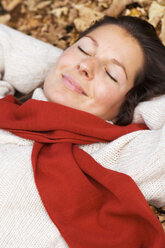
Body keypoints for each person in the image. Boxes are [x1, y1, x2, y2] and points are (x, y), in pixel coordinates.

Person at [0, 15, 165, 248]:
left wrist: (137, 106)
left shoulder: (119, 156)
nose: (86, 66)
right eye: (84, 49)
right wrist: (57, 66)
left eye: (111, 74)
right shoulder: (3, 109)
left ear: (129, 103)